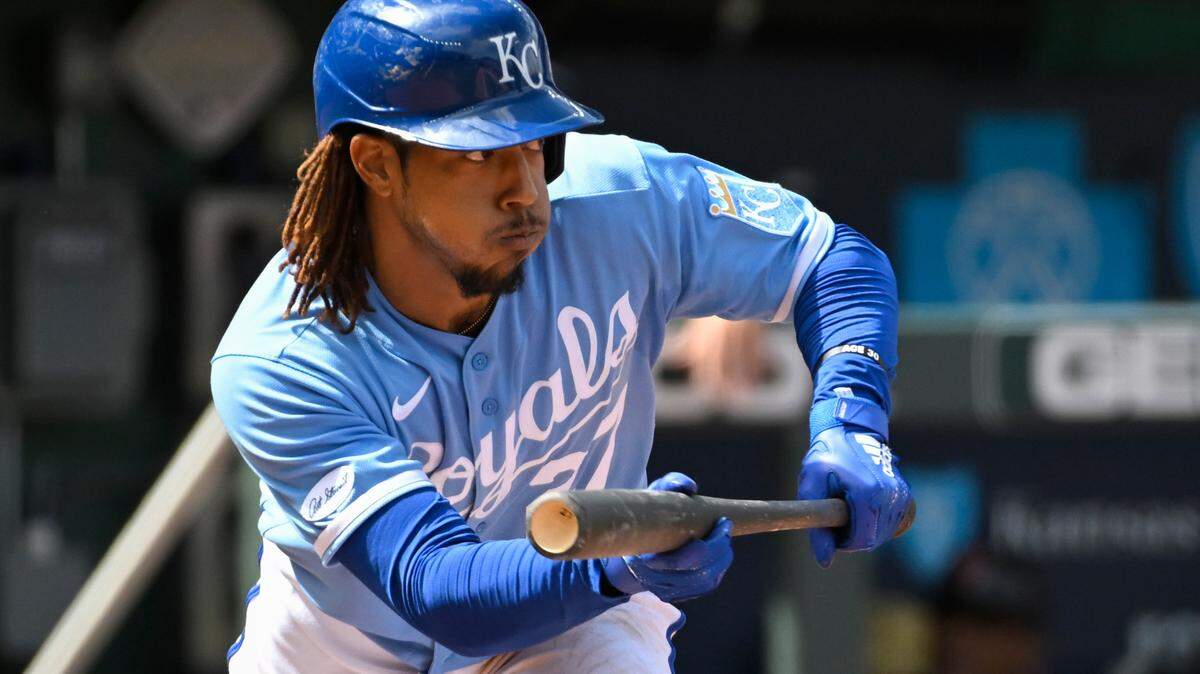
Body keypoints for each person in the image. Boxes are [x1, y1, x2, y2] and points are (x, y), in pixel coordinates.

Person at [210, 0, 911, 671]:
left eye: (536, 141)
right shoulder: (283, 355)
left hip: (574, 621)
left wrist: (852, 414)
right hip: (346, 644)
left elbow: (832, 260)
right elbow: (438, 587)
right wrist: (620, 559)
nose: (526, 190)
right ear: (376, 165)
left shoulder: (619, 201)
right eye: (480, 154)